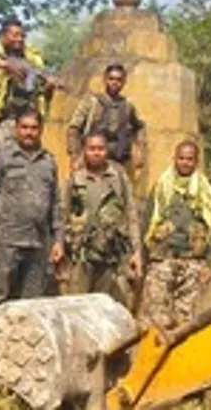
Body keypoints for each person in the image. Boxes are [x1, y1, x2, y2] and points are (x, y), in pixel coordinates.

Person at [0, 108, 62, 314]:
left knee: (31, 304)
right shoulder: (3, 157)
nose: (29, 132)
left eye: (34, 128)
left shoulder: (49, 161)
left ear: (41, 130)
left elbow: (55, 203)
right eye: (24, 128)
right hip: (6, 242)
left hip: (37, 243)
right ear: (16, 129)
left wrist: (59, 240)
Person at [136, 140, 211, 332]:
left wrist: (208, 263)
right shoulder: (161, 187)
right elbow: (146, 222)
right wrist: (140, 256)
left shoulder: (205, 191)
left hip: (192, 264)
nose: (185, 163)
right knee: (155, 322)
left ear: (196, 161)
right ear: (174, 159)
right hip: (162, 262)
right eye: (181, 158)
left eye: (190, 159)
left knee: (186, 324)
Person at [58, 132, 142, 309]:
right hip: (81, 256)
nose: (96, 153)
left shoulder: (119, 177)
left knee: (110, 308)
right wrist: (59, 245)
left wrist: (136, 251)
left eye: (101, 149)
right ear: (84, 150)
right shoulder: (75, 178)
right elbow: (63, 213)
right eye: (92, 149)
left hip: (112, 257)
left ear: (107, 150)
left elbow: (131, 213)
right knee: (77, 307)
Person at [0, 17, 62, 149]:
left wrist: (49, 86)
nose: (19, 39)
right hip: (5, 120)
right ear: (3, 36)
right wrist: (3, 64)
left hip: (30, 121)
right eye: (15, 35)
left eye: (22, 35)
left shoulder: (32, 58)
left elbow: (41, 92)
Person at [65, 63, 147, 177]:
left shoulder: (128, 105)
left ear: (124, 82)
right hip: (92, 163)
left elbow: (140, 127)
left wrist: (139, 149)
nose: (115, 82)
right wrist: (75, 156)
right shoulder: (91, 102)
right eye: (111, 79)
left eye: (119, 79)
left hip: (119, 163)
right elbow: (74, 129)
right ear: (104, 80)